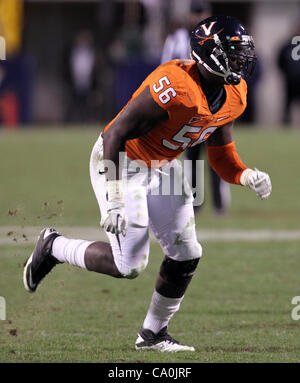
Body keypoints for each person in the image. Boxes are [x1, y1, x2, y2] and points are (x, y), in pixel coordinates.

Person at [23, 16, 272, 352]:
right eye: (234, 53)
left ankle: (153, 334)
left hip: (163, 165)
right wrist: (113, 197)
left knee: (187, 252)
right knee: (129, 266)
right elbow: (115, 133)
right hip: (123, 161)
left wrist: (244, 174)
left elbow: (221, 155)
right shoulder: (175, 84)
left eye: (244, 53)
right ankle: (53, 246)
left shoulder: (234, 93)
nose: (243, 61)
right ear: (210, 53)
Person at [160, 4, 231, 215]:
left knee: (217, 153)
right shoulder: (176, 39)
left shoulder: (219, 36)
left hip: (214, 103)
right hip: (188, 106)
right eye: (195, 12)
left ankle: (219, 205)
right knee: (192, 157)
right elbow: (165, 68)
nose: (198, 17)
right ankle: (196, 203)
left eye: (202, 12)